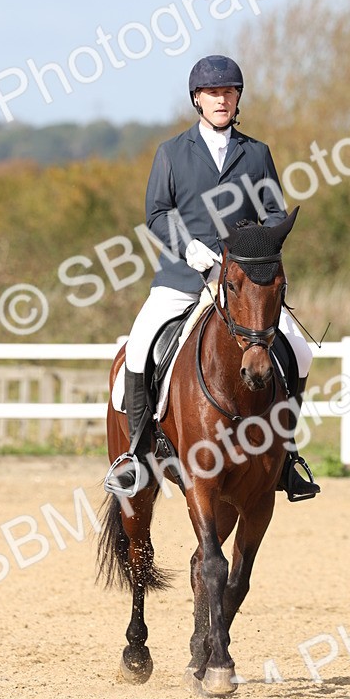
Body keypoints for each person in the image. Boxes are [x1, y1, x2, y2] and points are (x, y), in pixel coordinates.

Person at [108, 54, 319, 502]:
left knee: (300, 352)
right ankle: (136, 455)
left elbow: (275, 211)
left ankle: (287, 457)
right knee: (139, 346)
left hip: (241, 286)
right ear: (197, 100)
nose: (222, 99)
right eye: (213, 93)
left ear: (238, 99)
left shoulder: (256, 153)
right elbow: (157, 213)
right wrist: (188, 248)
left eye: (229, 92)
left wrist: (257, 244)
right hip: (182, 278)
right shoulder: (171, 153)